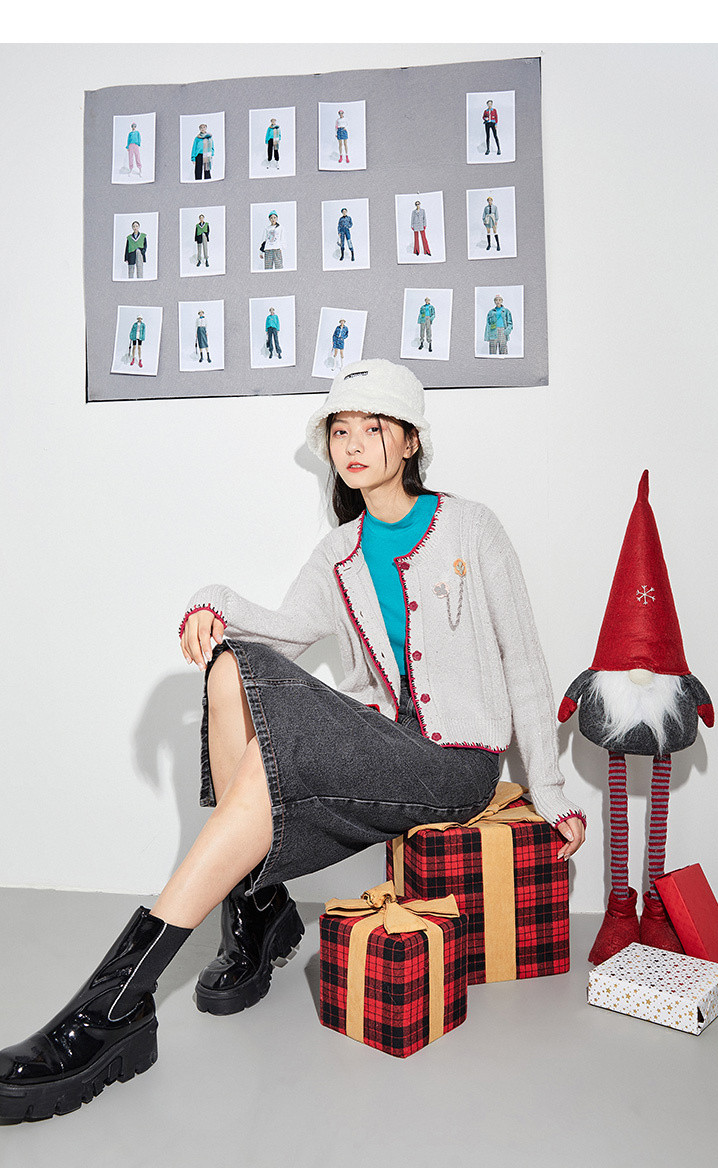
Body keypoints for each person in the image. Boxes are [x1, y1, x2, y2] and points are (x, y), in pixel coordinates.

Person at [0, 359, 585, 1124]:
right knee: (230, 665)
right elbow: (279, 634)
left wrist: (550, 788)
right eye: (341, 430)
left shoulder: (473, 527)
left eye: (372, 427)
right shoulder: (338, 554)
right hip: (384, 744)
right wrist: (210, 604)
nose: (354, 443)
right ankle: (245, 912)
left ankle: (124, 997)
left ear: (411, 440)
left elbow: (524, 662)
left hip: (455, 766)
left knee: (265, 748)